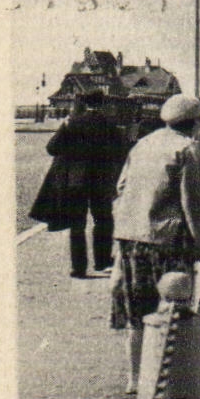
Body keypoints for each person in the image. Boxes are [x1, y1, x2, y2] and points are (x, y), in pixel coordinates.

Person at [110, 93, 200, 392]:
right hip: (167, 239)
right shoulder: (186, 149)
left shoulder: (143, 144)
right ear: (195, 123)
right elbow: (193, 202)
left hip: (130, 237)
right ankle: (170, 375)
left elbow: (121, 188)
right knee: (171, 307)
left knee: (135, 311)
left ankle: (134, 378)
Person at [28, 90, 129, 278]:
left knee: (77, 224)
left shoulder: (72, 123)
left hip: (76, 181)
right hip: (101, 180)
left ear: (84, 103)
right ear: (102, 104)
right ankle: (102, 261)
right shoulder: (110, 125)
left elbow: (51, 148)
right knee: (103, 220)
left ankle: (79, 267)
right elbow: (122, 153)